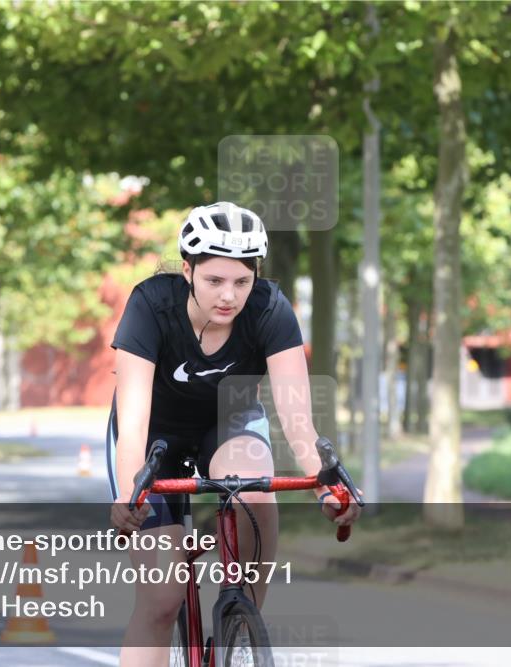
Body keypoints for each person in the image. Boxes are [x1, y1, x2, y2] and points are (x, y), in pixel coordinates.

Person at [106, 201, 360, 666]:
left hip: (228, 422)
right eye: (214, 280)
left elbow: (298, 418)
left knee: (257, 494)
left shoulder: (269, 309)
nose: (229, 296)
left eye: (243, 281)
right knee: (161, 602)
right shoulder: (149, 306)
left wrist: (326, 481)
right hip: (153, 437)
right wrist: (129, 492)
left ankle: (240, 625)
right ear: (188, 270)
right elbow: (134, 420)